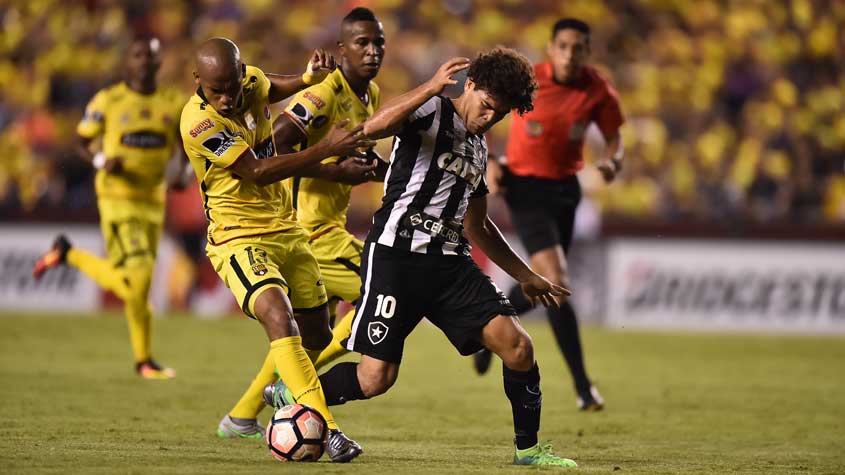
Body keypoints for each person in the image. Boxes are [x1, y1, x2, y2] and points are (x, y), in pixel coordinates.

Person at [271, 48, 579, 467]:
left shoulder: (478, 150)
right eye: (487, 106)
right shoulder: (430, 109)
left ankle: (528, 450)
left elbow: (479, 227)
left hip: (451, 265)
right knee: (375, 378)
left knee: (518, 347)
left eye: (500, 114)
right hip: (397, 257)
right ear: (469, 85)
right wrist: (430, 87)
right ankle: (296, 392)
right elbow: (372, 128)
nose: (489, 118)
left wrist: (525, 275)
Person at [179, 37, 372, 462]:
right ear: (197, 81)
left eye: (231, 85)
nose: (227, 98)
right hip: (238, 237)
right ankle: (331, 431)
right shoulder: (198, 124)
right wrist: (327, 152)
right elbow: (258, 171)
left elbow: (268, 85)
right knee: (277, 316)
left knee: (318, 335)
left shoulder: (246, 82)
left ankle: (281, 393)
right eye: (217, 90)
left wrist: (304, 79)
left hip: (287, 230)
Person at [221, 5, 386, 432]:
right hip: (312, 228)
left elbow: (356, 152)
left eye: (378, 43)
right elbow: (276, 145)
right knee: (387, 292)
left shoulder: (373, 94)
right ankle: (297, 393)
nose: (372, 52)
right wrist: (333, 167)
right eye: (362, 43)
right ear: (342, 48)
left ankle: (240, 416)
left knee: (305, 336)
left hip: (330, 223)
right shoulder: (323, 93)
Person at [472, 18, 625, 412]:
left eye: (579, 47)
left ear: (588, 51)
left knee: (544, 285)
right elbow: (484, 111)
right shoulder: (530, 82)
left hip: (565, 192)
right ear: (551, 48)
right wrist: (492, 162)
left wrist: (611, 161)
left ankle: (491, 320)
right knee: (556, 283)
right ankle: (583, 387)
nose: (571, 54)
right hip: (524, 187)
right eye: (564, 46)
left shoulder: (598, 89)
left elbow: (614, 140)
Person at [33, 36, 189, 379]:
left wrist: (184, 174)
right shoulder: (109, 100)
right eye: (138, 56)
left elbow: (185, 148)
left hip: (153, 200)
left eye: (151, 57)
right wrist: (102, 160)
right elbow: (81, 141)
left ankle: (68, 254)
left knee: (135, 286)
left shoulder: (173, 103)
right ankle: (144, 361)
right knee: (140, 277)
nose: (145, 62)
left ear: (160, 63)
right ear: (128, 63)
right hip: (118, 200)